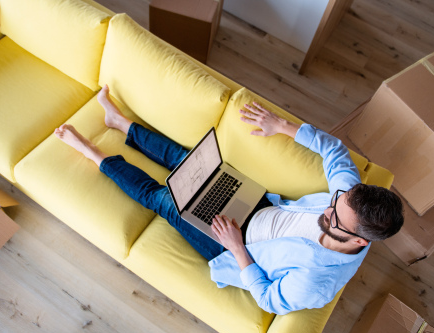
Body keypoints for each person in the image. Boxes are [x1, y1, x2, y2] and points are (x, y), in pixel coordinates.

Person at [55, 85, 404, 315]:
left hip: (231, 246)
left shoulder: (318, 282)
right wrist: (279, 124)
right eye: (334, 200)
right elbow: (334, 150)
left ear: (358, 240)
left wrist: (237, 248)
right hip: (258, 206)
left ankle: (93, 153)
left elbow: (269, 300)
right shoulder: (351, 201)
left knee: (162, 199)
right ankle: (119, 122)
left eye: (333, 219)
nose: (326, 209)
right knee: (189, 163)